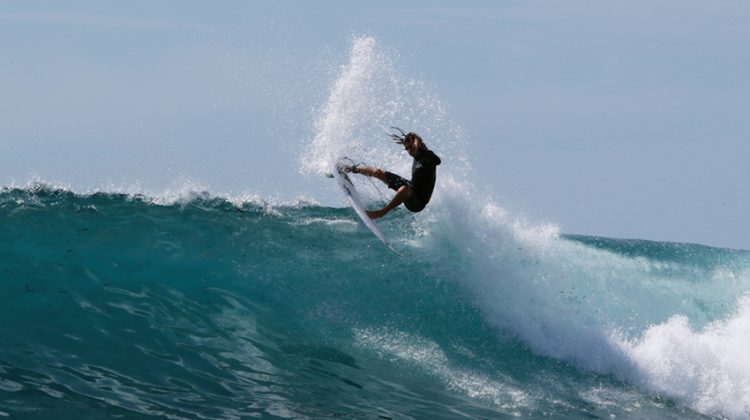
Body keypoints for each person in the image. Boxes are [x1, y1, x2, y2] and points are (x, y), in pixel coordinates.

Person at [344, 128, 441, 219]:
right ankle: (351, 169)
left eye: (410, 147)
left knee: (405, 189)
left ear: (418, 144)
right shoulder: (416, 156)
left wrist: (416, 141)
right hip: (411, 187)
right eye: (407, 148)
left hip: (418, 202)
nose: (409, 150)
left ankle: (381, 212)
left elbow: (438, 161)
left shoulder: (428, 156)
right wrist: (413, 144)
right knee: (378, 172)